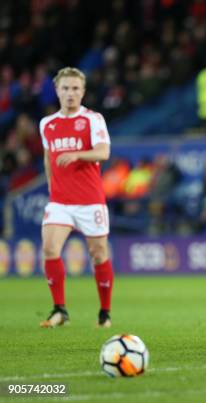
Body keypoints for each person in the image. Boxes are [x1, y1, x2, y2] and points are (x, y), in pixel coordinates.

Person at [39, 67, 114, 329]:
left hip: (90, 200)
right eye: (65, 88)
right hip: (60, 201)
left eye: (75, 88)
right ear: (57, 91)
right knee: (49, 249)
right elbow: (49, 159)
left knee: (98, 254)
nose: (70, 93)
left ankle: (104, 313)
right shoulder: (46, 124)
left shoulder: (93, 119)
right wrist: (51, 187)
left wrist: (78, 155)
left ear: (82, 91)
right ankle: (60, 310)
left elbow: (103, 152)